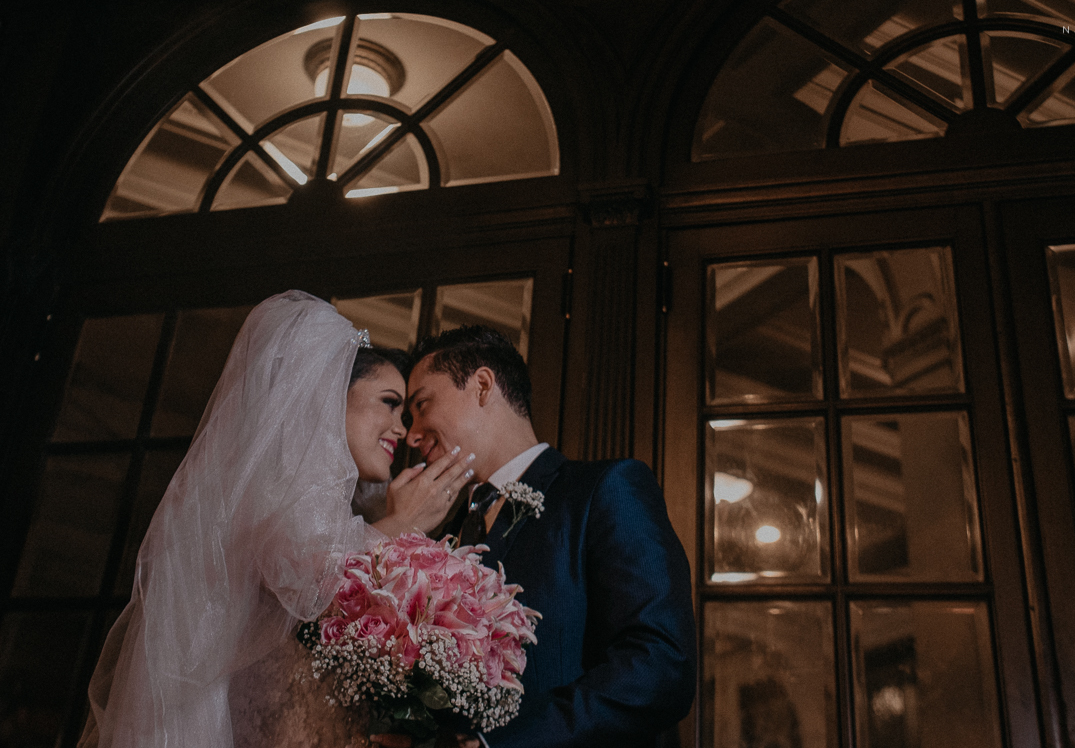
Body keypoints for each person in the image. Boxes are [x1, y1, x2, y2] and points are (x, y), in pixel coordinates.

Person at [79, 291, 475, 748]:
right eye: (389, 403)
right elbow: (311, 579)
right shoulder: (272, 490)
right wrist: (401, 524)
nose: (402, 429)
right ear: (326, 397)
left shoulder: (326, 508)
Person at [400, 325, 697, 748]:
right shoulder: (443, 536)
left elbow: (662, 665)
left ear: (483, 385)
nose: (412, 433)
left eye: (422, 405)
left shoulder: (605, 490)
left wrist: (498, 744)